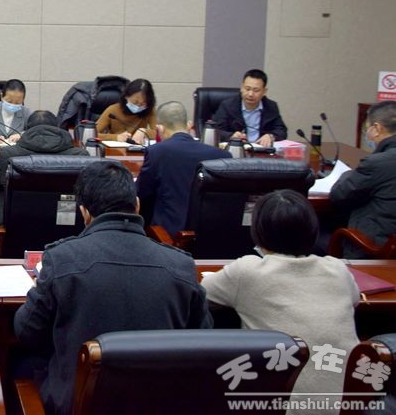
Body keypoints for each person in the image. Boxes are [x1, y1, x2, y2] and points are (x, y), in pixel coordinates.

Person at [14, 162, 212, 415]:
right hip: (158, 405)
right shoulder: (181, 265)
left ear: (84, 212)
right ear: (137, 205)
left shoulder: (62, 258)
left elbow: (27, 332)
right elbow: (202, 342)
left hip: (77, 405)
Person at [202, 190, 359, 415]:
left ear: (258, 231)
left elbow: (198, 294)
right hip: (349, 405)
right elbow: (354, 301)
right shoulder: (338, 269)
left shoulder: (247, 271)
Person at [0, 110, 88, 221]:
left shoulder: (10, 154)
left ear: (27, 129)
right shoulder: (80, 157)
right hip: (69, 226)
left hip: (17, 227)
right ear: (57, 128)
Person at [135, 101, 230, 234]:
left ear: (160, 129)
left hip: (168, 234)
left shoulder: (157, 152)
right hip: (211, 234)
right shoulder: (222, 155)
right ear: (189, 126)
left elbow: (141, 192)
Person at [330, 100, 396, 258]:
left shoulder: (377, 163)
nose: (367, 134)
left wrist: (347, 174)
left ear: (377, 129)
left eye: (367, 129)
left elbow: (339, 195)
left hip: (374, 249)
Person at [211, 68, 287, 146]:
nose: (250, 94)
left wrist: (271, 136)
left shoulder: (271, 106)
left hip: (261, 149)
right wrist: (231, 136)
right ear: (241, 88)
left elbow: (282, 130)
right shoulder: (228, 106)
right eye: (247, 89)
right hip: (237, 148)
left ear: (264, 91)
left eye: (256, 90)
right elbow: (215, 130)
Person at [94, 78, 157, 143]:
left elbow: (159, 134)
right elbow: (92, 133)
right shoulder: (113, 110)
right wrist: (115, 137)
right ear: (126, 96)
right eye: (135, 102)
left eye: (143, 104)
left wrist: (144, 132)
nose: (138, 106)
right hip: (116, 147)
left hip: (139, 147)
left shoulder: (149, 109)